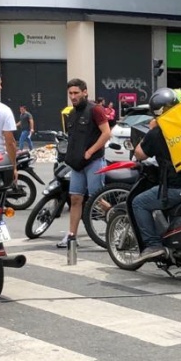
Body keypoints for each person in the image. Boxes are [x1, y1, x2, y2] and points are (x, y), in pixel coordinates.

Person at [132, 88, 181, 262]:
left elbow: (140, 154)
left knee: (139, 203)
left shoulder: (158, 133)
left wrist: (151, 130)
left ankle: (153, 245)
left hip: (179, 189)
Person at [57, 79, 111, 248]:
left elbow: (106, 133)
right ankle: (71, 236)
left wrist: (90, 151)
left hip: (94, 162)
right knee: (75, 199)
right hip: (77, 165)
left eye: (76, 93)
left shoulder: (95, 109)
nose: (73, 96)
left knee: (98, 200)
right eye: (70, 93)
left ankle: (119, 223)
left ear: (85, 92)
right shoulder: (71, 114)